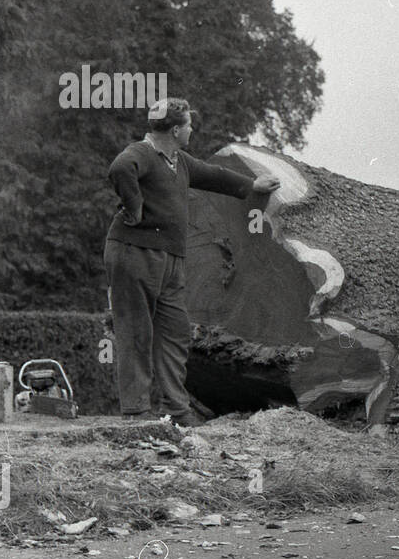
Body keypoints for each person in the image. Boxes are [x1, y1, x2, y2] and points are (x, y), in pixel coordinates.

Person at [105, 98, 280, 425]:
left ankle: (178, 410)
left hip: (169, 259)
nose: (192, 129)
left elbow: (213, 176)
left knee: (175, 332)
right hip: (133, 253)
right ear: (175, 129)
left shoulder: (178, 161)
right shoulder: (142, 154)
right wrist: (134, 208)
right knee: (136, 333)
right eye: (188, 125)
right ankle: (137, 413)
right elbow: (119, 169)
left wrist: (252, 185)